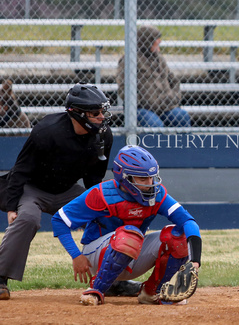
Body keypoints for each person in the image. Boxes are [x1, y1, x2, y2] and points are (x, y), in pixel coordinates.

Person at [0, 83, 116, 300]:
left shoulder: (103, 135)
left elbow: (94, 179)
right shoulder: (47, 131)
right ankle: (0, 277)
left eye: (102, 111)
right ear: (76, 114)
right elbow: (21, 170)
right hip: (32, 188)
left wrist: (99, 209)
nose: (101, 117)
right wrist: (11, 205)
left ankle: (112, 278)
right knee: (28, 219)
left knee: (106, 216)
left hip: (67, 190)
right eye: (95, 113)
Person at [51, 145, 203, 306]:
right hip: (96, 258)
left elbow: (188, 222)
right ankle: (97, 290)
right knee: (129, 234)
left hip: (131, 252)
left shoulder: (157, 194)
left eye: (152, 177)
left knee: (178, 237)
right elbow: (59, 220)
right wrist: (76, 255)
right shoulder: (102, 194)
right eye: (143, 179)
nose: (150, 183)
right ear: (125, 178)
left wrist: (195, 262)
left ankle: (154, 292)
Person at [117, 26, 191, 128]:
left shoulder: (159, 59)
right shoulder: (129, 59)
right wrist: (140, 102)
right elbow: (122, 86)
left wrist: (174, 97)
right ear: (147, 41)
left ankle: (180, 144)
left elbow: (173, 81)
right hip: (141, 109)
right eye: (156, 40)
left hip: (165, 107)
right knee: (155, 124)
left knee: (181, 116)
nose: (159, 42)